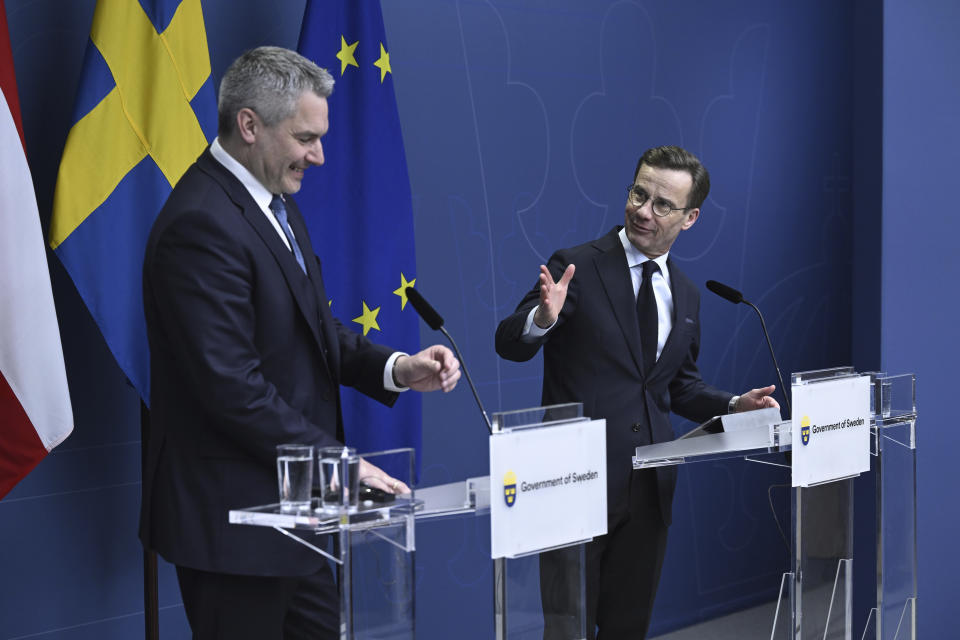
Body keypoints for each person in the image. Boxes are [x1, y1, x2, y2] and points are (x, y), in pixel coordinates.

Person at [139, 46, 460, 639]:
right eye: (306, 137)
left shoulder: (275, 201)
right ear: (250, 125)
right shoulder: (200, 224)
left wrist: (395, 367)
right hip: (232, 529)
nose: (319, 155)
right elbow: (231, 388)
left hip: (299, 515)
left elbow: (309, 327)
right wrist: (343, 463)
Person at [495, 145, 778, 639]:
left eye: (662, 205)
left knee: (628, 630)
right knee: (567, 631)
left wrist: (734, 406)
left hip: (649, 493)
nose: (644, 211)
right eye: (638, 194)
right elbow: (509, 343)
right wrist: (543, 318)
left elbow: (678, 387)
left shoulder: (686, 293)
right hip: (572, 486)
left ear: (690, 218)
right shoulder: (576, 265)